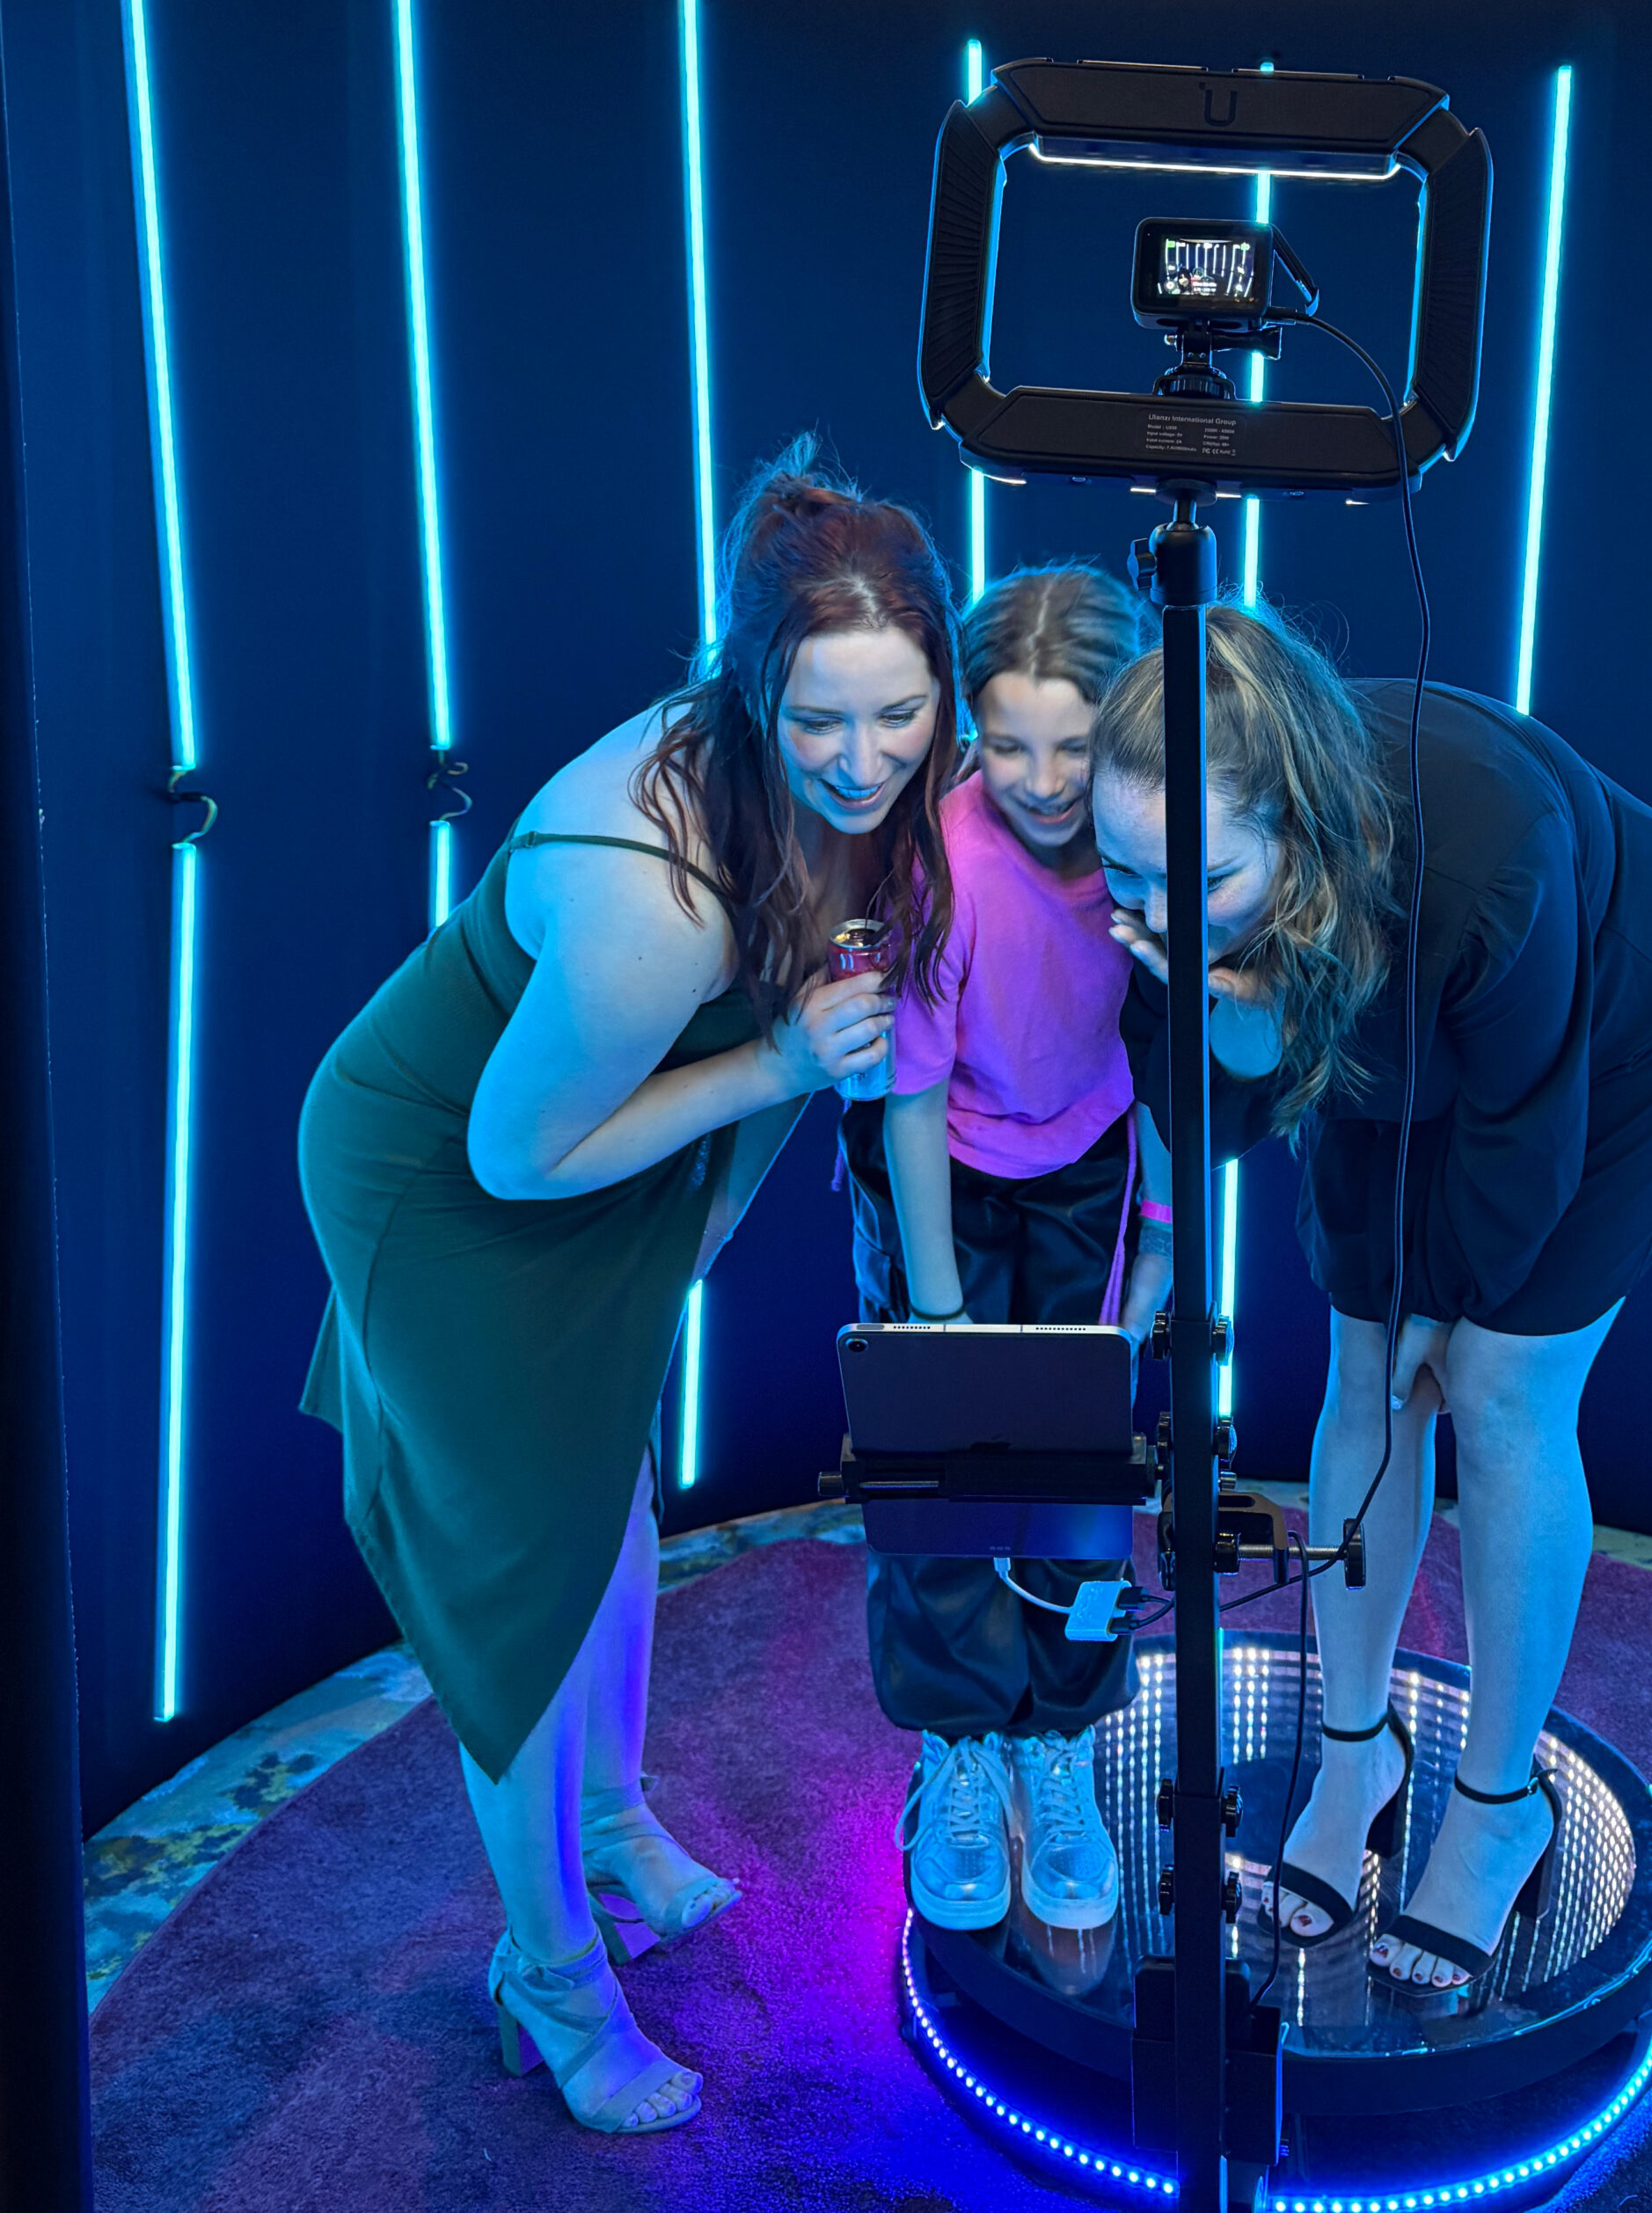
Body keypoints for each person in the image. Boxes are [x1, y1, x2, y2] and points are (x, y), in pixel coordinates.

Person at [297, 441, 958, 2131]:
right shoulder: (647, 890)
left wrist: (700, 1233)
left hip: (621, 1155)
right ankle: (551, 1976)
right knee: (525, 1586)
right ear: (747, 695)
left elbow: (780, 1051)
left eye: (901, 715)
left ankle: (610, 1827)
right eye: (820, 720)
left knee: (613, 1502)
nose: (866, 760)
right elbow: (520, 1155)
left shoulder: (855, 800)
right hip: (450, 1185)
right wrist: (780, 1075)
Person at [1092, 605, 1652, 1995]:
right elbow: (1201, 1121)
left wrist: (1465, 1303)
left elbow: (1525, 1129)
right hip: (1362, 1011)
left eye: (1196, 878)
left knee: (1499, 1394)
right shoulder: (1183, 899)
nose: (1149, 911)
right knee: (1367, 1380)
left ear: (1300, 831)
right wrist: (1222, 984)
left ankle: (1501, 1808)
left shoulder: (1493, 847)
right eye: (1124, 873)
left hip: (1610, 1033)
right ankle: (1355, 1753)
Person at [839, 564, 1164, 1939]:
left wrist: (1158, 1242)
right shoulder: (940, 864)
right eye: (1006, 741)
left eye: (1075, 747)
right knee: (948, 1485)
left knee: (1079, 1477)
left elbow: (1181, 1060)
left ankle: (1061, 1737)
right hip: (946, 1185)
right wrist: (940, 1318)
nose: (1041, 780)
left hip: (1089, 1173)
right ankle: (965, 1745)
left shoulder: (1156, 842)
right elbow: (908, 1099)